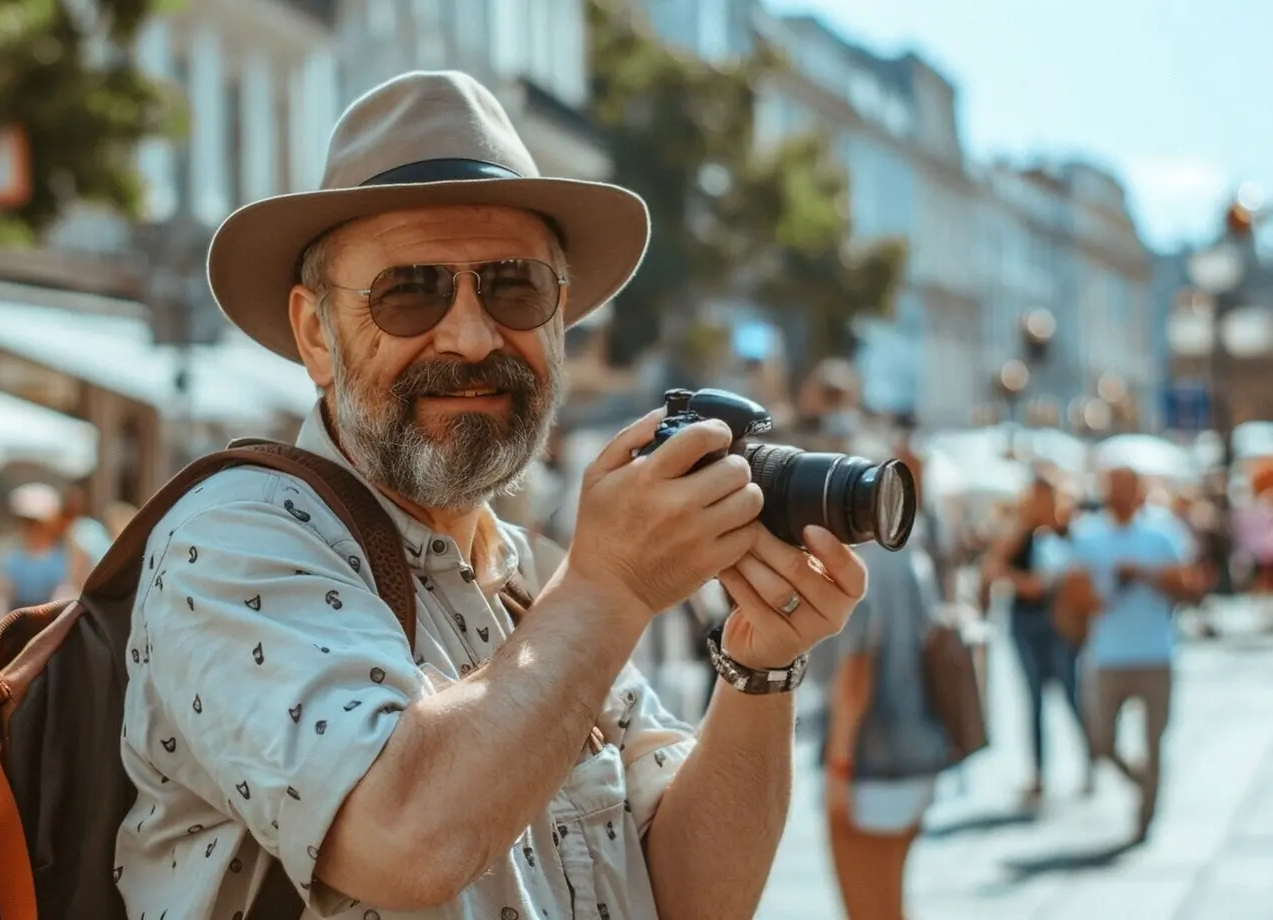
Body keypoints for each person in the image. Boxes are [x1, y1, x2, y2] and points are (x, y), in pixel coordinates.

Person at [113, 70, 867, 920]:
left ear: (558, 320)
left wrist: (758, 666)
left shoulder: (527, 585)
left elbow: (695, 902)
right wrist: (611, 588)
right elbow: (404, 841)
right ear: (315, 335)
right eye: (409, 292)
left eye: (515, 287)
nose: (471, 336)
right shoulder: (233, 538)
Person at [1055, 465, 1199, 845]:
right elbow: (1072, 592)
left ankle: (1146, 816)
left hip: (1155, 653)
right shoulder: (1089, 535)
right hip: (1107, 656)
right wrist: (1093, 599)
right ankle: (1142, 782)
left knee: (1154, 742)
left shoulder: (1162, 533)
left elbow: (1189, 584)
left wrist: (1147, 574)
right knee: (1101, 742)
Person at [821, 516, 951, 920]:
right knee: (891, 905)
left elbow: (856, 674)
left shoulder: (858, 567)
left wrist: (838, 767)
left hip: (869, 765)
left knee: (867, 911)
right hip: (918, 751)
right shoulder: (913, 558)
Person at [981, 476, 1091, 804]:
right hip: (1026, 621)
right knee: (1033, 700)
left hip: (1059, 620)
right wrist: (1023, 581)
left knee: (1072, 694)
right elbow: (993, 567)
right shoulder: (1022, 534)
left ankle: (1091, 764)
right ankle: (1040, 774)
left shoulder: (1069, 530)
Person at [0, 483, 68, 640]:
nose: (31, 529)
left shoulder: (60, 558)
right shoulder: (10, 556)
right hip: (14, 625)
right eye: (26, 522)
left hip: (49, 627)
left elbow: (62, 595)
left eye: (36, 523)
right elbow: (0, 594)